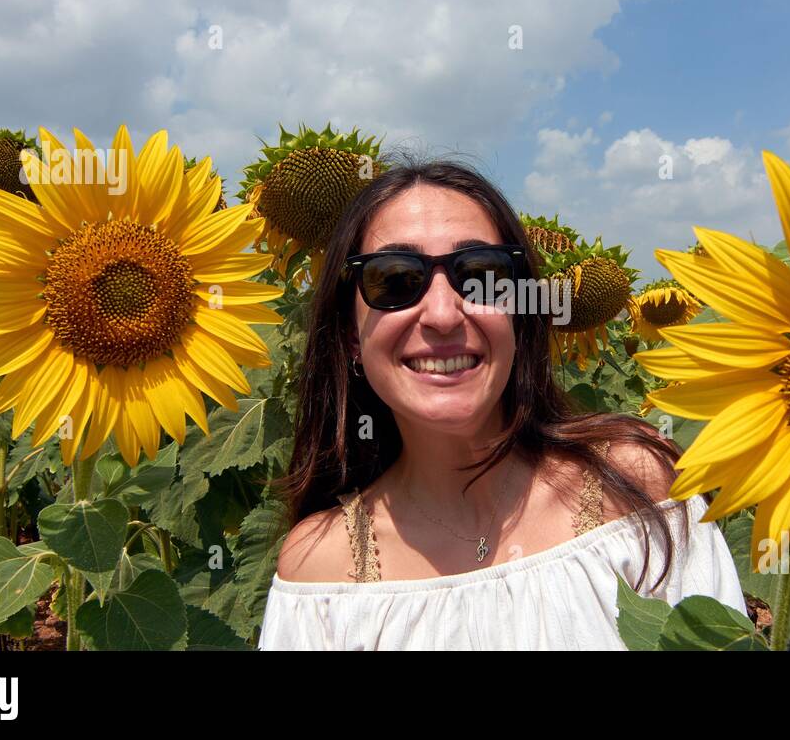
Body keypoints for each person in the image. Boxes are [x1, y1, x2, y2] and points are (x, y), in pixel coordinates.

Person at [258, 159, 748, 650]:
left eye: (483, 275)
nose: (444, 314)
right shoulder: (319, 573)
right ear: (348, 333)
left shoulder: (635, 487)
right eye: (394, 279)